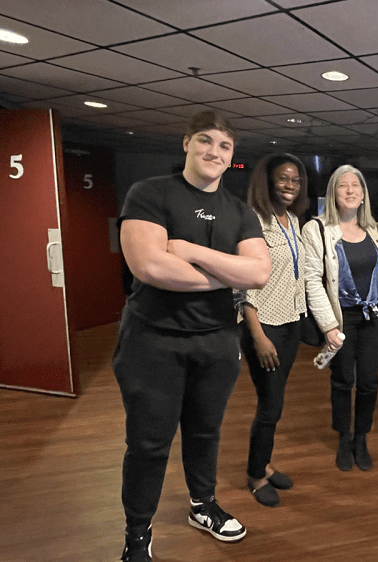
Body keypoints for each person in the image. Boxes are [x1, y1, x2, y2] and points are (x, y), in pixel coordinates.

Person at [114, 111, 271, 562]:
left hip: (217, 341)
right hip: (153, 342)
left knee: (205, 433)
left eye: (224, 146)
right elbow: (149, 266)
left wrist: (190, 252)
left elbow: (259, 273)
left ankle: (203, 505)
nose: (213, 151)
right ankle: (137, 534)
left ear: (231, 155)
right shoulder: (150, 193)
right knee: (148, 443)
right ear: (186, 143)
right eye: (205, 140)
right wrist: (226, 275)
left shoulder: (240, 211)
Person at [301, 165, 378, 472]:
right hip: (341, 319)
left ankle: (361, 438)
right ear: (333, 192)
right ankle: (344, 437)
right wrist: (329, 326)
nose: (350, 190)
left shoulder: (371, 229)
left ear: (363, 194)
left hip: (372, 317)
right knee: (342, 380)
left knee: (369, 381)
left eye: (356, 185)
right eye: (343, 185)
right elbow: (312, 281)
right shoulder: (317, 229)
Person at [237, 153, 308, 507]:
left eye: (295, 179)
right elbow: (243, 284)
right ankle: (255, 474)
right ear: (268, 181)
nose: (290, 185)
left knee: (275, 402)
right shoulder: (252, 221)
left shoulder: (292, 220)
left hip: (291, 321)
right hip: (264, 326)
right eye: (283, 178)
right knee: (270, 405)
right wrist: (258, 336)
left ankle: (264, 462)